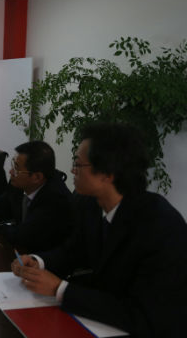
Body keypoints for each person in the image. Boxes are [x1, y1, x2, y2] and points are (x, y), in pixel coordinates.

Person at [12, 123, 187, 336]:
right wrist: (38, 261)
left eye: (78, 164)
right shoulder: (90, 204)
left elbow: (143, 314)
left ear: (107, 174)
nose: (72, 170)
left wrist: (60, 289)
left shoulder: (160, 225)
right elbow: (72, 252)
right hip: (103, 321)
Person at [0, 141, 72, 252]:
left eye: (16, 168)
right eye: (13, 164)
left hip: (40, 257)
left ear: (37, 177)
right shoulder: (20, 182)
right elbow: (3, 202)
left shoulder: (56, 199)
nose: (11, 171)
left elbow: (23, 235)